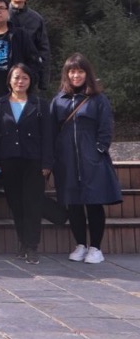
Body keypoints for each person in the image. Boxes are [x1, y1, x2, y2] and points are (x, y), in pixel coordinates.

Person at [51, 53, 122, 265]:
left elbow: (106, 127)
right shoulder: (58, 100)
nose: (76, 75)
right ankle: (80, 244)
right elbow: (51, 130)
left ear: (87, 74)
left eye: (80, 71)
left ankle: (96, 247)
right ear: (66, 74)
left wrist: (99, 149)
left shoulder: (98, 99)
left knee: (94, 203)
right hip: (67, 161)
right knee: (73, 203)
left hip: (92, 159)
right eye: (72, 71)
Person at [0, 63, 52, 264]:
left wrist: (47, 163)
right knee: (16, 204)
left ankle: (32, 246)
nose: (20, 81)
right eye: (16, 77)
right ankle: (22, 242)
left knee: (33, 205)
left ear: (30, 81)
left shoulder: (40, 104)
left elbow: (48, 135)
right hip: (8, 160)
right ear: (9, 80)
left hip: (33, 160)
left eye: (24, 78)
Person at [8, 0, 51, 90]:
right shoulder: (1, 15)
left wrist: (43, 81)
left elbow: (44, 50)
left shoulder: (36, 19)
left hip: (30, 75)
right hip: (4, 73)